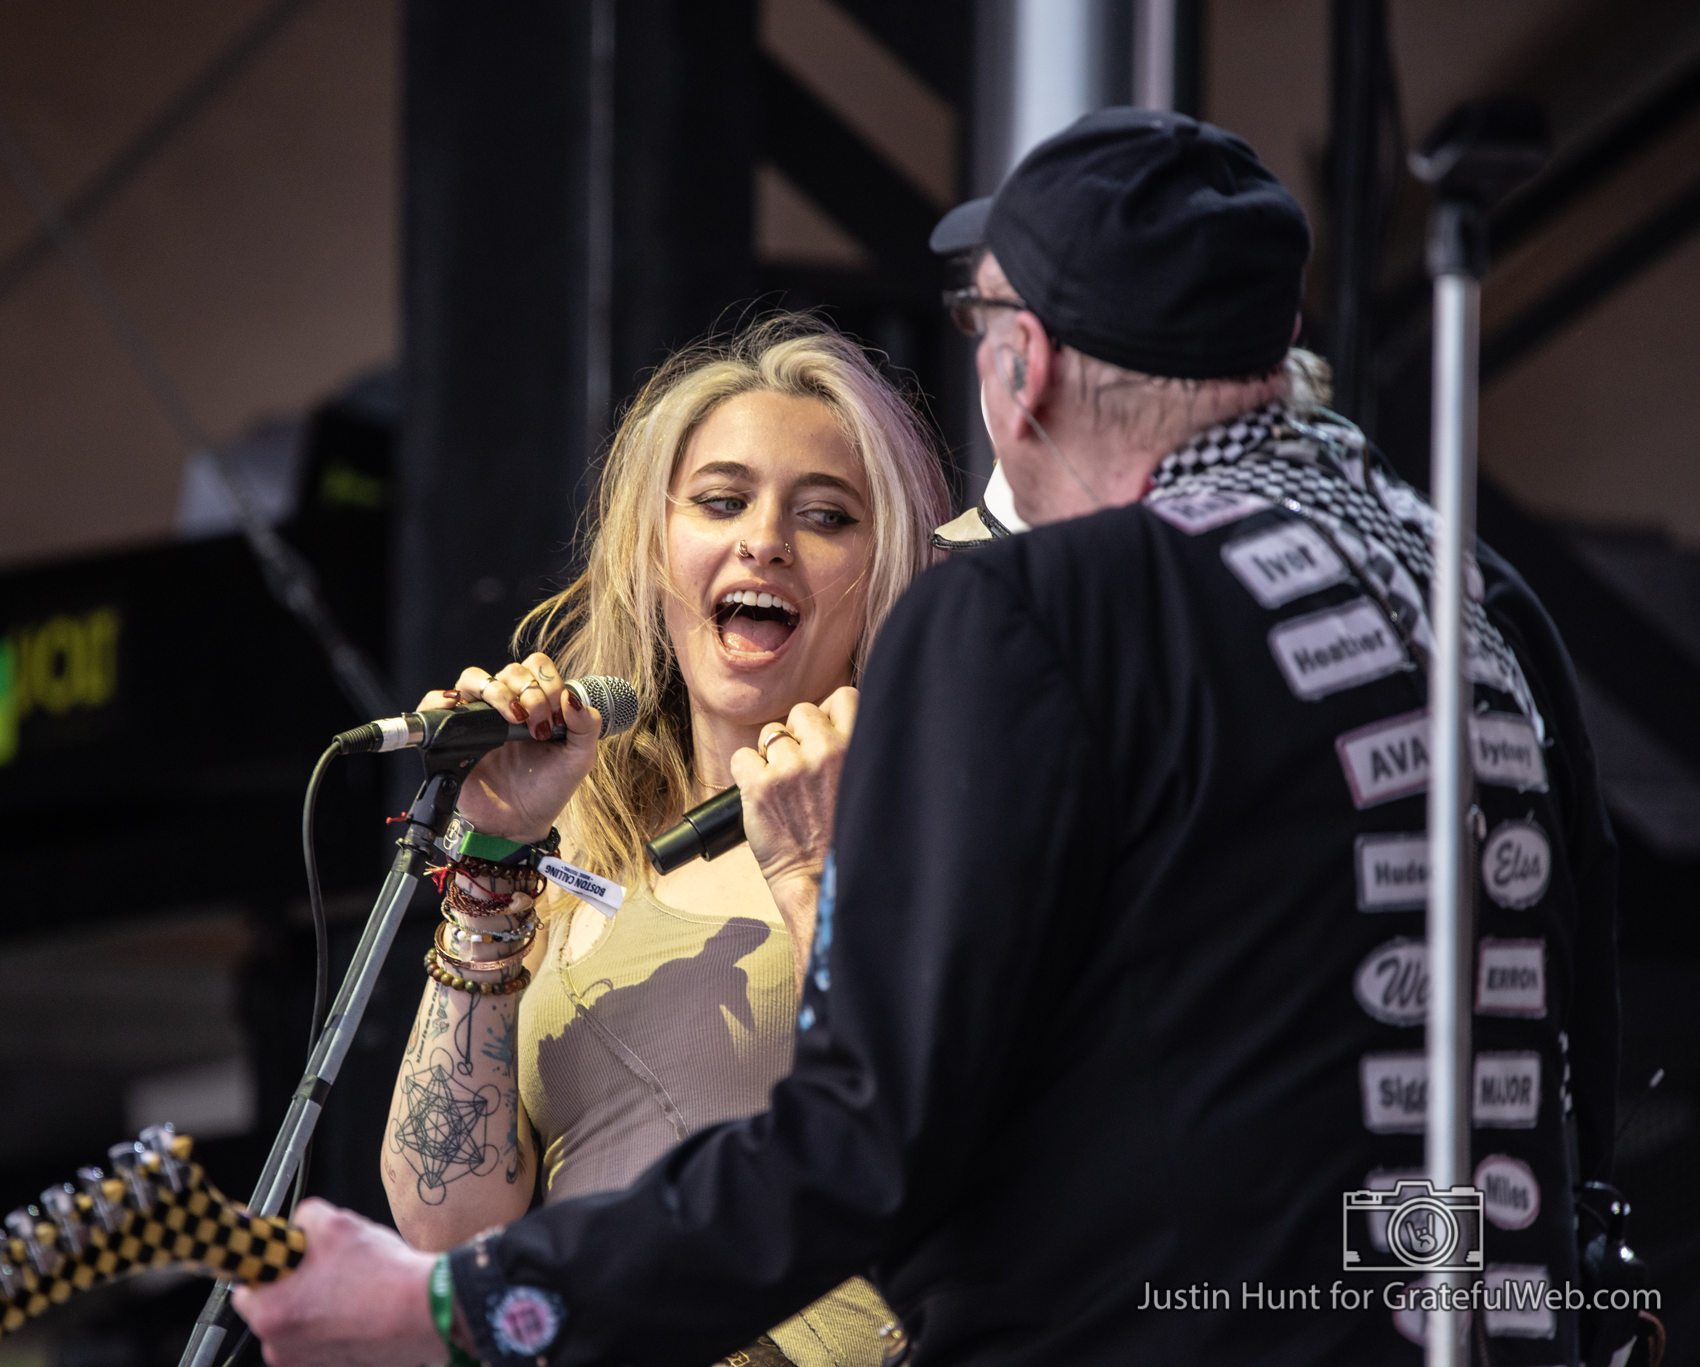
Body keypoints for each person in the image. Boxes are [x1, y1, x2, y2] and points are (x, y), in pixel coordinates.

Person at [236, 109, 1619, 1367]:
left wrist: (462, 1307)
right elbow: (1568, 1059)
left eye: (981, 322)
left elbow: (869, 1140)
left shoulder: (1038, 608)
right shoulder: (1471, 599)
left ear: (1025, 371)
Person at [376, 314, 952, 1367]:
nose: (764, 539)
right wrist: (495, 853)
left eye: (825, 514)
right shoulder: (581, 838)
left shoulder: (938, 813)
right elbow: (446, 1221)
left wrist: (815, 868)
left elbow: (949, 1142)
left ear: (889, 566)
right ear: (653, 550)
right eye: (721, 501)